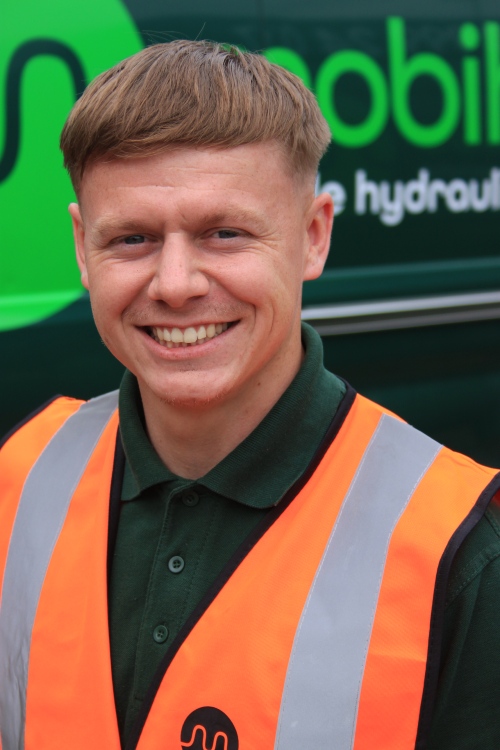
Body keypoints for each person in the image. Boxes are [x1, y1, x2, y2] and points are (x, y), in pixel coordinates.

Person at [0, 41, 499, 750]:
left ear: (314, 235)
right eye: (133, 238)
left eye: (224, 233)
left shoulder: (456, 550)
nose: (175, 283)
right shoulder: (23, 476)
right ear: (82, 247)